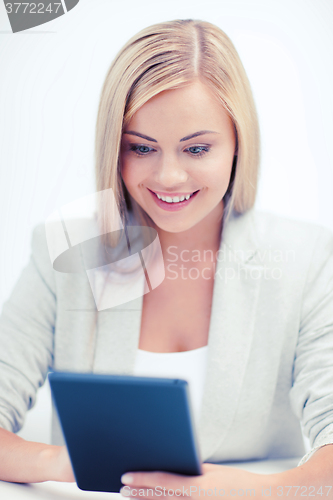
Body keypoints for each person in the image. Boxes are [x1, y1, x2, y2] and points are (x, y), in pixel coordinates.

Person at [0, 18, 333, 495]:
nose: (169, 176)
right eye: (142, 148)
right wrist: (71, 461)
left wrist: (259, 491)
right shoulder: (65, 252)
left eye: (197, 148)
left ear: (239, 143)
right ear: (115, 148)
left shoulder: (307, 259)